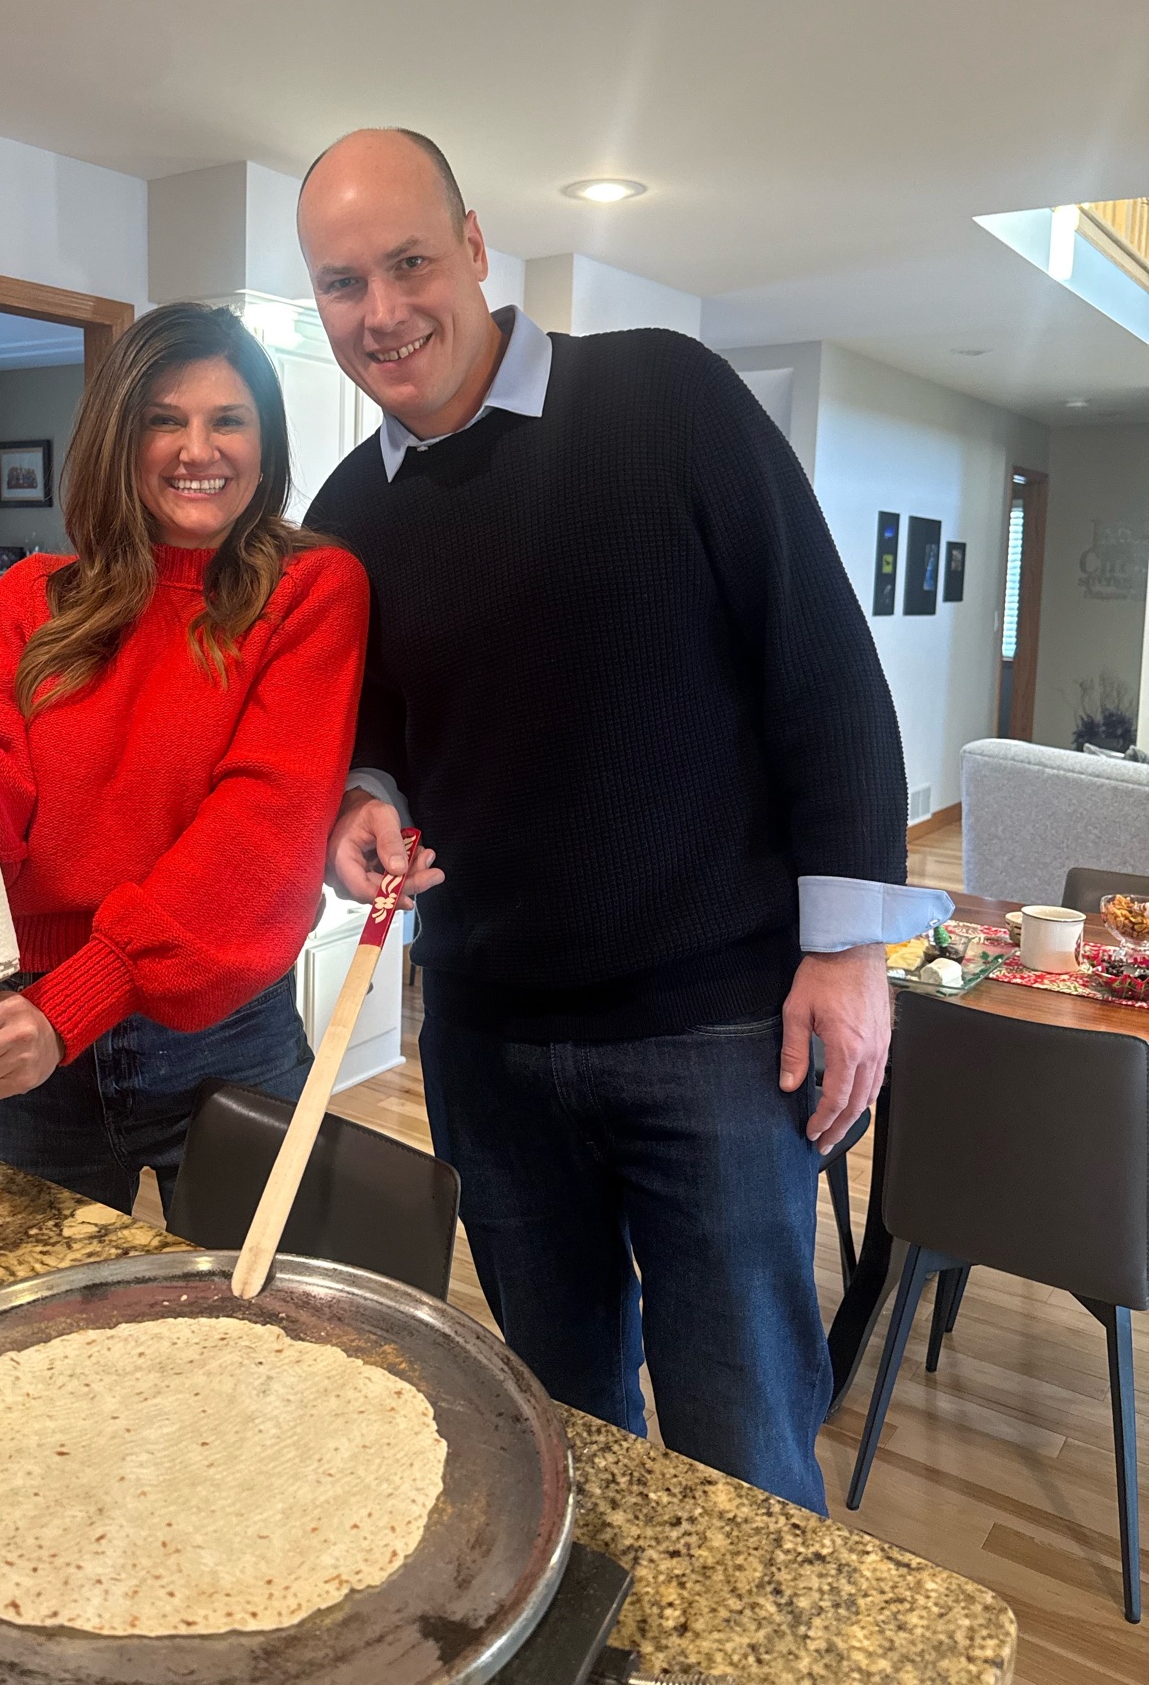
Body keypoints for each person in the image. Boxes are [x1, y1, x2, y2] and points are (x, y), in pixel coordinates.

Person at [299, 128, 951, 1514]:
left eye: (410, 263)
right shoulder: (346, 513)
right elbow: (377, 728)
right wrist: (365, 794)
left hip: (713, 1034)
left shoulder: (666, 395)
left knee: (745, 1452)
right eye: (343, 283)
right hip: (487, 1045)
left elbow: (824, 669)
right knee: (566, 1435)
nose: (383, 311)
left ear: (477, 246)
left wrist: (849, 952)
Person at [0, 302, 374, 1219]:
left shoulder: (312, 592)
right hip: (20, 1035)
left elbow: (259, 833)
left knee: (247, 1307)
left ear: (265, 446)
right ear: (118, 442)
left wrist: (71, 1005)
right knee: (27, 1303)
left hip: (222, 1035)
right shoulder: (33, 598)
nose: (198, 449)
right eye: (163, 421)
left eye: (228, 420)